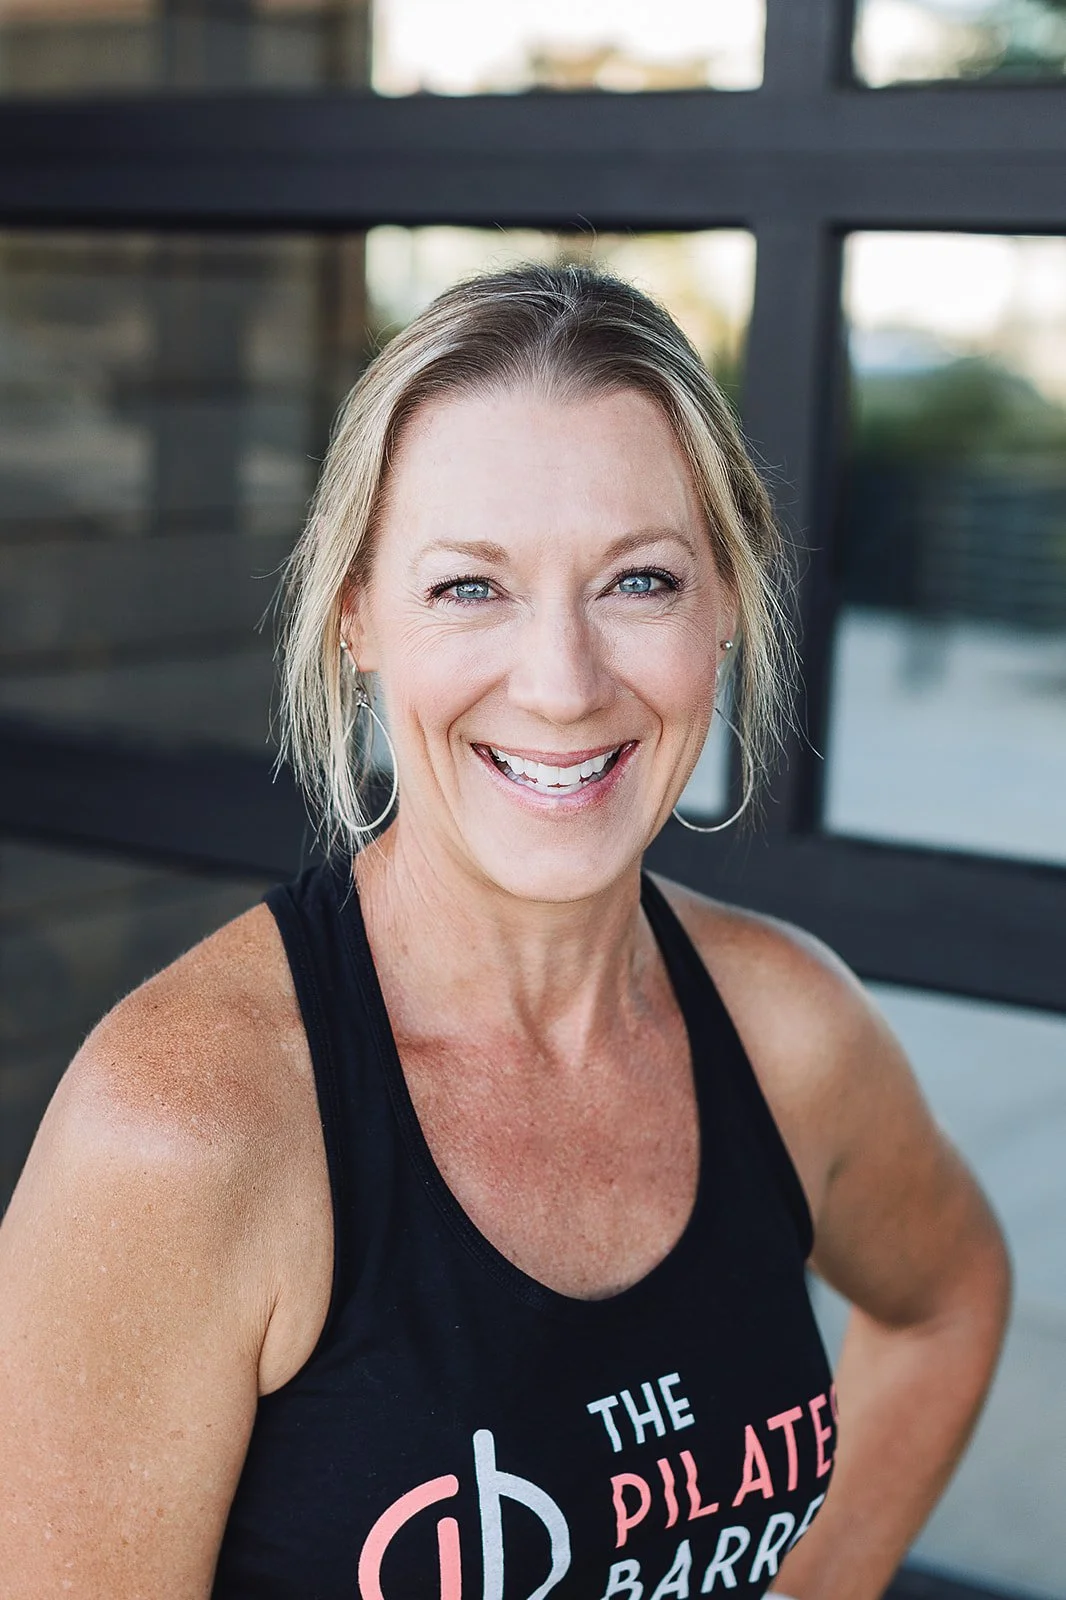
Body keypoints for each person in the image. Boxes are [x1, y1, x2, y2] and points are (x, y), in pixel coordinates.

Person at [0, 265, 1009, 1600]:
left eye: (638, 581)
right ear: (359, 616)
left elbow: (946, 1299)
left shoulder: (785, 1026)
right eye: (471, 588)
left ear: (722, 610)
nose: (560, 684)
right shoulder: (190, 1125)